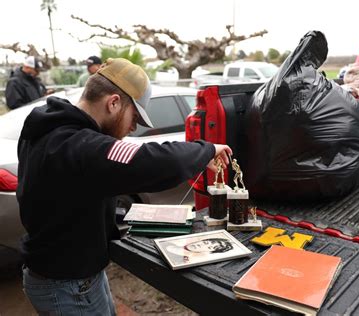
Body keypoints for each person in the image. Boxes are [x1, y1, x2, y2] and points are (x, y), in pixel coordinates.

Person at [18, 57, 232, 315]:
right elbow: (146, 162)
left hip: (70, 273)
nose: (133, 128)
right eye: (135, 117)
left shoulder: (49, 130)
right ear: (114, 102)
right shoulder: (77, 144)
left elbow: (64, 195)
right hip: (68, 284)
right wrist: (206, 150)